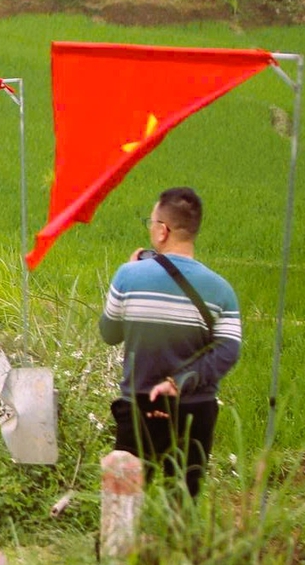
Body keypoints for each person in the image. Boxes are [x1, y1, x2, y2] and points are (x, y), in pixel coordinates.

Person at [100, 186, 241, 497]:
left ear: (162, 231)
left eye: (151, 222)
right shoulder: (221, 290)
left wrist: (130, 271)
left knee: (125, 502)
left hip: (139, 407)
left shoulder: (128, 276)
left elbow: (109, 333)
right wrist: (178, 382)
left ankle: (123, 546)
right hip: (195, 410)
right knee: (182, 504)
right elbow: (230, 349)